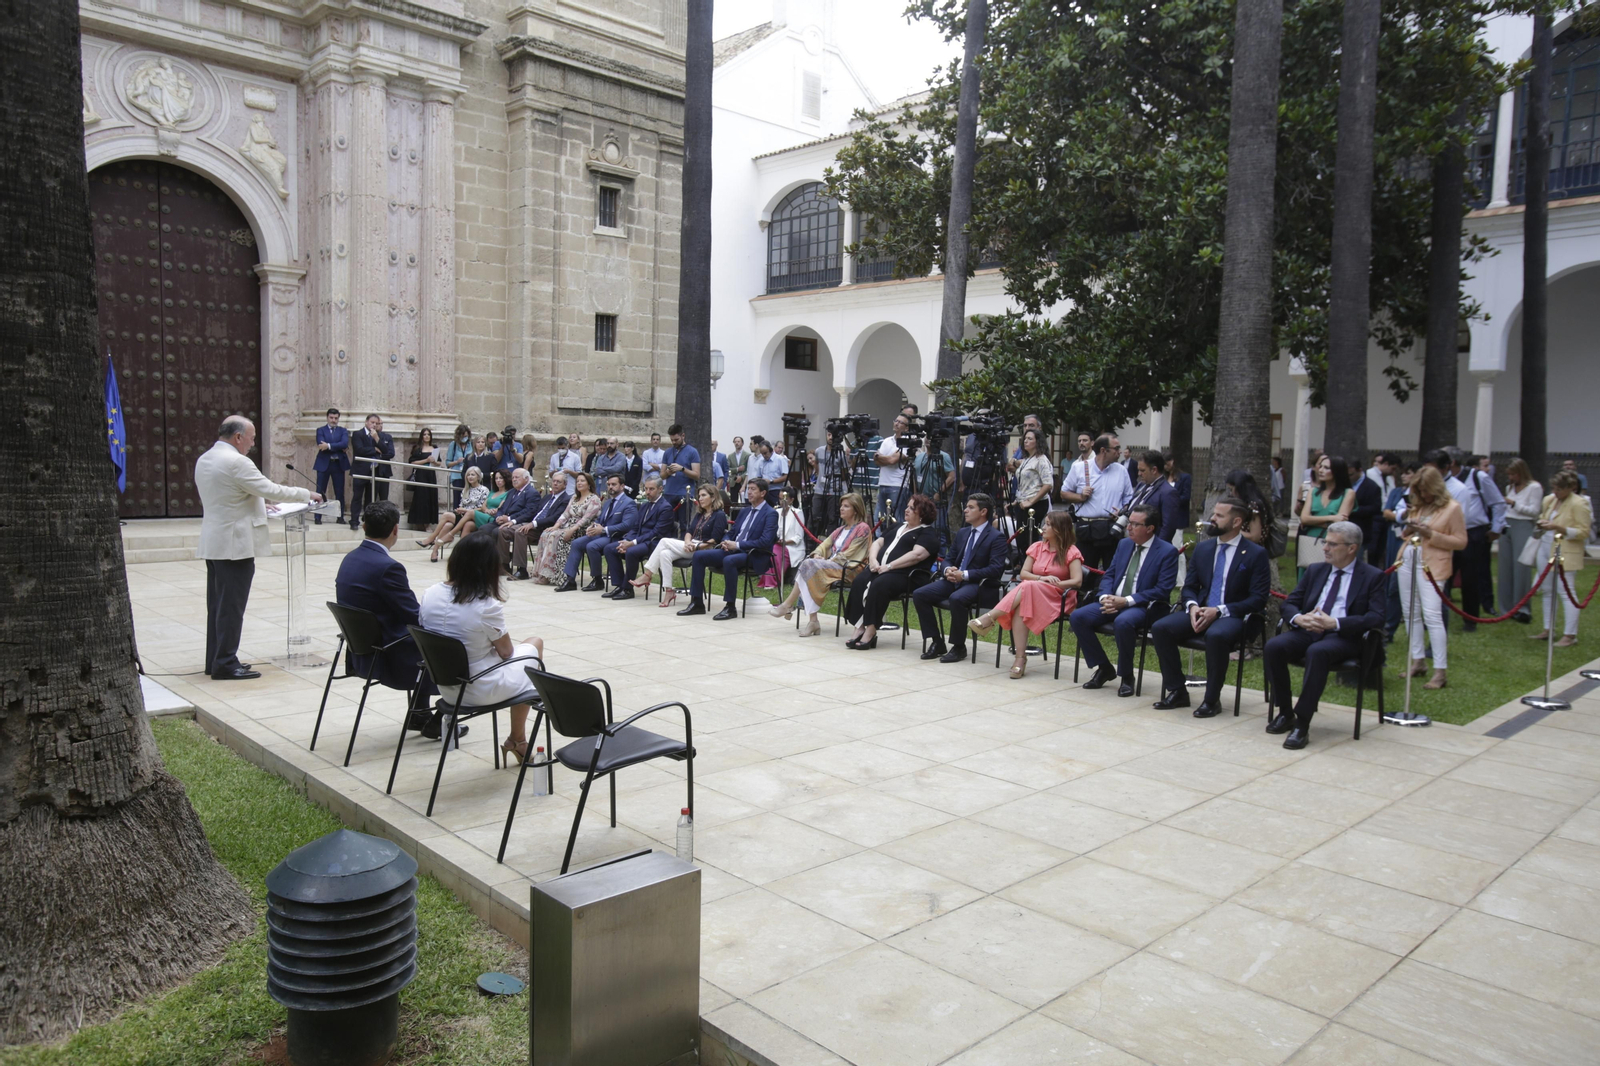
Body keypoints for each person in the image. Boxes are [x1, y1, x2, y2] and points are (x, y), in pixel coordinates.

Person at [194, 416, 316, 680]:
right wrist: (307, 495)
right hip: (235, 546)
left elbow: (230, 495)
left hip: (215, 543)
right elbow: (269, 488)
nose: (252, 443)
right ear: (238, 437)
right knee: (232, 608)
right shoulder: (237, 461)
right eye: (251, 437)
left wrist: (259, 504)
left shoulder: (206, 458)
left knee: (218, 606)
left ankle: (216, 659)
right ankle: (226, 663)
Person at [417, 531, 543, 759]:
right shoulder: (486, 605)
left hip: (445, 687)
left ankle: (517, 740)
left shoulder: (430, 594)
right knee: (534, 647)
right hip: (477, 687)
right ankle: (517, 739)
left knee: (524, 659)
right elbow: (506, 652)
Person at [1262, 521, 1387, 750]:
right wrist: (1298, 618)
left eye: (1332, 544)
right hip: (1308, 629)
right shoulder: (1316, 570)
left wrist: (1336, 623)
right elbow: (1290, 603)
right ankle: (1286, 712)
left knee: (1317, 652)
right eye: (1325, 543)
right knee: (1274, 647)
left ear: (1352, 548)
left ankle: (1302, 723)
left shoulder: (1372, 576)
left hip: (1344, 637)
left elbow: (1376, 617)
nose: (1325, 548)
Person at [334, 501, 449, 737]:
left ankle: (419, 713)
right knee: (453, 645)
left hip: (360, 646)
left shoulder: (350, 558)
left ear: (364, 526)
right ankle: (442, 717)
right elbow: (413, 615)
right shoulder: (388, 567)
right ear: (396, 530)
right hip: (387, 651)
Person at [1150, 497, 1271, 715]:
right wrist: (1193, 606)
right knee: (1161, 628)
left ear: (1236, 522)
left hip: (1234, 615)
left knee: (1216, 636)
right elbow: (1189, 587)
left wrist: (1219, 611)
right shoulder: (1204, 549)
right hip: (1201, 609)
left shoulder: (1255, 554)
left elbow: (1258, 598)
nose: (1212, 519)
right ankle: (1177, 691)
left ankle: (1212, 699)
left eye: (1219, 516)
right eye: (1213, 514)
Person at [969, 510, 1085, 678]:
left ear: (1059, 529)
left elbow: (1077, 581)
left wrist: (1053, 583)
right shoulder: (1037, 547)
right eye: (1044, 523)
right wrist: (1041, 579)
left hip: (1058, 597)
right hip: (1034, 593)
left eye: (1048, 524)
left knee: (1029, 587)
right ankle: (1019, 659)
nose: (1043, 527)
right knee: (1023, 602)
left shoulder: (1071, 551)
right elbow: (1024, 573)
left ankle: (990, 617)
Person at [913, 493, 1009, 663]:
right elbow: (949, 557)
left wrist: (964, 575)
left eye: (971, 507)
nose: (965, 510)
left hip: (979, 584)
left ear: (983, 512)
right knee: (920, 594)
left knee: (956, 598)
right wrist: (948, 569)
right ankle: (937, 642)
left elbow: (995, 569)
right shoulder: (964, 533)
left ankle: (959, 647)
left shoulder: (996, 537)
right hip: (953, 580)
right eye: (966, 506)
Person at [1395, 465, 1467, 690]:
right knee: (1410, 613)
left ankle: (1440, 671)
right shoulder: (1418, 506)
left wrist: (1431, 534)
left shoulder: (1453, 508)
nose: (1423, 495)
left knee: (1433, 615)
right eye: (1419, 491)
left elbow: (1460, 541)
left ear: (1436, 488)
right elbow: (1406, 532)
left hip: (1433, 565)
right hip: (1408, 559)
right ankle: (1418, 661)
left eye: (1426, 491)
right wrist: (1409, 529)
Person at [843, 495, 942, 650]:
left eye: (911, 508)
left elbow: (916, 556)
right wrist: (874, 560)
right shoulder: (898, 526)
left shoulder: (928, 534)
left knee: (879, 585)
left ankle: (870, 630)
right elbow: (878, 542)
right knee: (860, 581)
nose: (906, 510)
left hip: (908, 575)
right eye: (907, 506)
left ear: (922, 513)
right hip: (882, 570)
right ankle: (859, 626)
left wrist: (889, 566)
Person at [769, 494, 873, 636]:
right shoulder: (840, 530)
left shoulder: (863, 528)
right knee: (808, 566)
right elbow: (823, 546)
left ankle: (789, 606)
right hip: (832, 567)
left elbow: (852, 554)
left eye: (846, 506)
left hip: (851, 569)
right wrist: (818, 555)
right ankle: (812, 621)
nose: (841, 508)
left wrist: (826, 562)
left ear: (856, 510)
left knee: (808, 566)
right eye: (841, 505)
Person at [679, 478, 778, 619]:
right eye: (748, 488)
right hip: (733, 550)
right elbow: (731, 532)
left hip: (755, 554)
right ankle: (697, 602)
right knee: (699, 556)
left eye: (753, 489)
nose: (748, 492)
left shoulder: (770, 513)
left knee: (730, 561)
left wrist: (737, 545)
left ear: (763, 493)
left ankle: (730, 607)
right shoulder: (745, 511)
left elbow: (765, 541)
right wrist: (725, 542)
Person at [1441, 448, 1506, 628]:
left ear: (1451, 463)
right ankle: (1440, 614)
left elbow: (1498, 502)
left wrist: (1496, 528)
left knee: (1471, 578)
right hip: (1446, 533)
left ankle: (1470, 619)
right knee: (1443, 574)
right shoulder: (1439, 481)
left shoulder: (1477, 477)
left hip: (1472, 532)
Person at [635, 484, 729, 608]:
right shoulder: (700, 514)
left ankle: (647, 575)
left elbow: (714, 540)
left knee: (664, 541)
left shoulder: (719, 515)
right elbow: (689, 532)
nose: (700, 498)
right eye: (699, 496)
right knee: (664, 554)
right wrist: (687, 543)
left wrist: (696, 547)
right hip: (691, 546)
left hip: (706, 549)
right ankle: (669, 591)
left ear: (713, 498)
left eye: (703, 495)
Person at [1532, 470, 1591, 648]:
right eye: (1554, 488)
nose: (1555, 492)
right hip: (1545, 547)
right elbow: (1544, 518)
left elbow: (1583, 532)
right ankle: (1548, 628)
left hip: (1566, 549)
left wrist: (1560, 528)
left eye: (1559, 489)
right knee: (1548, 590)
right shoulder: (1550, 500)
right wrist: (1541, 524)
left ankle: (1570, 634)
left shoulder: (1579, 503)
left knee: (1566, 592)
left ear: (1571, 488)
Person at [1060, 434, 1134, 572]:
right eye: (1116, 448)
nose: (1119, 452)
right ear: (1103, 450)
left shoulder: (1121, 470)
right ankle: (1085, 593)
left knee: (1111, 570)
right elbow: (1063, 493)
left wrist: (1122, 511)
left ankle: (1107, 594)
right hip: (1086, 528)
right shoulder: (1080, 468)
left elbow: (1129, 498)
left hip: (1111, 529)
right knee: (1086, 571)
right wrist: (1080, 497)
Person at [561, 473, 639, 592]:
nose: (610, 487)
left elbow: (627, 525)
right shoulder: (608, 502)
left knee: (591, 546)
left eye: (614, 484)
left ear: (622, 486)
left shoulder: (629, 503)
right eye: (608, 485)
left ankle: (597, 580)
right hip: (601, 534)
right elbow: (600, 519)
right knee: (577, 543)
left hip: (616, 536)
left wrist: (603, 529)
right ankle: (570, 579)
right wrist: (593, 526)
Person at [604, 474, 677, 599]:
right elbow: (635, 527)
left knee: (631, 552)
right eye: (646, 489)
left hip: (654, 543)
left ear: (660, 489)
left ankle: (627, 589)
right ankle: (620, 585)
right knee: (610, 548)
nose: (647, 492)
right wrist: (626, 540)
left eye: (651, 489)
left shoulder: (665, 507)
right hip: (639, 540)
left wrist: (632, 543)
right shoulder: (644, 505)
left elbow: (656, 532)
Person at [533, 471, 601, 585]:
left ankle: (556, 575)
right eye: (577, 481)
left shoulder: (594, 499)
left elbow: (586, 519)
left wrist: (571, 530)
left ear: (589, 484)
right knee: (546, 534)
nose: (579, 483)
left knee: (555, 536)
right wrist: (555, 526)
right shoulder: (574, 497)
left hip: (582, 530)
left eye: (582, 481)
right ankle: (542, 572)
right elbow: (565, 514)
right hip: (568, 526)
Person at [507, 471, 571, 580]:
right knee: (505, 530)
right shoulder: (547, 497)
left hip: (546, 529)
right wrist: (517, 521)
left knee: (520, 532)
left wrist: (533, 524)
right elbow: (535, 512)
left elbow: (554, 518)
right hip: (533, 524)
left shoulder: (566, 499)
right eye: (554, 481)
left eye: (558, 482)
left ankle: (521, 569)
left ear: (565, 484)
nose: (555, 484)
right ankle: (505, 564)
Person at [1298, 453, 1354, 577]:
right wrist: (1331, 517)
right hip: (1310, 540)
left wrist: (1313, 520)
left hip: (1333, 541)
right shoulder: (1313, 491)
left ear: (1337, 471)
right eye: (1321, 467)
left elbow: (1340, 525)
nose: (1321, 470)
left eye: (1326, 468)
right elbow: (1304, 518)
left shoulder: (1348, 493)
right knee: (1308, 576)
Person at [1501, 458, 1543, 623]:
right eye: (1509, 474)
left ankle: (1522, 608)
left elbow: (1534, 511)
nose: (1511, 477)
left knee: (1521, 568)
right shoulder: (1509, 487)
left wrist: (1514, 504)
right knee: (1505, 568)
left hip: (1523, 525)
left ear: (1521, 473)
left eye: (1513, 474)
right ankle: (1506, 608)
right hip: (1508, 524)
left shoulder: (1534, 487)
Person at [419, 465, 486, 563]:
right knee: (447, 524)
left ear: (478, 477)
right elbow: (461, 504)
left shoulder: (484, 490)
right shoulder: (465, 489)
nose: (470, 477)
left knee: (446, 515)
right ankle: (434, 551)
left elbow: (482, 508)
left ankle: (432, 538)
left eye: (473, 475)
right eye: (468, 475)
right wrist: (459, 509)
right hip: (462, 516)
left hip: (474, 517)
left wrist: (465, 510)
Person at [1381, 462, 1417, 641]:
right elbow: (1386, 512)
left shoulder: (1420, 495)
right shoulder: (1396, 492)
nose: (1404, 476)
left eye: (1408, 473)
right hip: (1394, 537)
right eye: (1403, 473)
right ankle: (1389, 627)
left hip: (1410, 540)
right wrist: (1401, 515)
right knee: (1391, 583)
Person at [486, 467, 541, 568]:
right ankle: (489, 561)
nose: (514, 479)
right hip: (504, 520)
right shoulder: (511, 492)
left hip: (520, 522)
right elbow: (502, 508)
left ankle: (503, 564)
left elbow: (529, 512)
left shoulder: (532, 493)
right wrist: (499, 516)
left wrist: (509, 519)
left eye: (517, 477)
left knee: (498, 531)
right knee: (484, 529)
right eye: (513, 477)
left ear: (526, 479)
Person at [349, 413, 395, 528]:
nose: (374, 425)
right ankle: (354, 521)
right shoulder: (358, 434)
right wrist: (374, 449)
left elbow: (385, 451)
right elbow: (359, 450)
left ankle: (367, 522)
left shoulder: (378, 436)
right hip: (360, 470)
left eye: (376, 423)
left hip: (374, 471)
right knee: (357, 497)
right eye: (372, 422)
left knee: (370, 499)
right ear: (366, 422)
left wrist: (376, 439)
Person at [1012, 429, 1054, 555]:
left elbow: (1048, 484)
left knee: (1030, 538)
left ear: (1038, 441)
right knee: (1021, 538)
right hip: (1023, 502)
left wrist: (1031, 501)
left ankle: (1031, 567)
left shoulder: (1041, 459)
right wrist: (1016, 501)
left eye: (1030, 439)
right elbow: (1025, 484)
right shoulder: (1027, 459)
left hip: (1036, 503)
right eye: (1025, 438)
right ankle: (1024, 565)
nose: (1026, 441)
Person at [1130, 450, 1184, 543]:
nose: (1139, 473)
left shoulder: (1168, 492)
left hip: (1152, 544)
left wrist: (1156, 549)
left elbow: (1168, 527)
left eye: (1142, 470)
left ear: (1154, 470)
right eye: (1138, 470)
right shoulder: (1141, 485)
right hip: (1133, 540)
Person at [763, 487, 806, 590]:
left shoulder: (797, 512)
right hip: (777, 543)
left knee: (776, 551)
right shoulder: (776, 511)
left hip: (791, 546)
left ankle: (773, 582)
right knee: (771, 549)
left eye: (784, 499)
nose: (781, 501)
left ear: (791, 499)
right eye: (780, 499)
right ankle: (768, 579)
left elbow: (798, 537)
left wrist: (785, 542)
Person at [661, 424, 701, 530]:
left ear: (683, 436)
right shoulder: (668, 452)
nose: (674, 442)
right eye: (672, 440)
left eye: (676, 440)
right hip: (669, 492)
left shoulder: (692, 452)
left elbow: (697, 475)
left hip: (684, 494)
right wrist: (668, 472)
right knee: (668, 524)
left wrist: (682, 469)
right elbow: (662, 475)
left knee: (684, 525)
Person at [313, 407, 349, 524]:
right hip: (324, 464)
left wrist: (328, 446)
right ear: (327, 418)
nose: (333, 420)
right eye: (331, 418)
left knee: (339, 492)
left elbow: (344, 443)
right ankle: (317, 517)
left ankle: (340, 517)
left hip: (338, 464)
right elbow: (320, 443)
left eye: (336, 418)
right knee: (320, 491)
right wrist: (337, 447)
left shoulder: (343, 431)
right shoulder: (321, 430)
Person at [874, 415, 912, 521]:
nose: (897, 423)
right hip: (883, 483)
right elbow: (876, 461)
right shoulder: (887, 441)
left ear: (907, 428)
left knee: (896, 518)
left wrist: (881, 457)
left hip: (897, 485)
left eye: (901, 422)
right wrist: (887, 458)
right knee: (880, 518)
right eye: (896, 421)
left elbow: (892, 461)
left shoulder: (907, 442)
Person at [1347, 458, 1384, 562]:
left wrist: (1353, 510)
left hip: (1361, 528)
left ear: (1360, 470)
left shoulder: (1372, 487)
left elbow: (1375, 508)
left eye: (1351, 475)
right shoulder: (1345, 484)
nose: (1349, 478)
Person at [406, 428, 440, 531]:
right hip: (420, 475)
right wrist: (426, 460)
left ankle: (428, 523)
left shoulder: (434, 448)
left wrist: (434, 461)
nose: (426, 436)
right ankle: (418, 522)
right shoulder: (417, 448)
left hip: (430, 475)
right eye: (424, 434)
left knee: (430, 497)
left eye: (428, 434)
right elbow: (412, 462)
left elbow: (439, 463)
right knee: (421, 498)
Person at [444, 424, 473, 506]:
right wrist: (457, 461)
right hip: (457, 476)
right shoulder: (453, 445)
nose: (464, 438)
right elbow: (448, 463)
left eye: (466, 436)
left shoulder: (471, 445)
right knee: (458, 499)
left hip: (469, 475)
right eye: (463, 436)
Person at [1164, 453, 1193, 530]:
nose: (1165, 467)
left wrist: (1172, 501)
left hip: (1178, 515)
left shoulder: (1185, 477)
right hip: (1164, 515)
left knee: (1177, 539)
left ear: (1172, 462)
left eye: (1167, 464)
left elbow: (1186, 496)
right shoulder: (1163, 478)